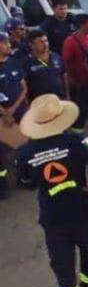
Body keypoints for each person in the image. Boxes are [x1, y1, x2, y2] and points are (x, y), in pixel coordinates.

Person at [16, 94, 88, 287]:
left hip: (53, 217)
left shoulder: (25, 152)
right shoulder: (77, 141)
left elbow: (26, 182)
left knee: (63, 265)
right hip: (82, 209)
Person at [62, 14, 88, 137]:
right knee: (80, 116)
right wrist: (71, 85)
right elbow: (66, 65)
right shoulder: (70, 42)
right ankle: (78, 143)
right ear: (82, 25)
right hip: (79, 87)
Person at [0, 32, 28, 199]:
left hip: (19, 113)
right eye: (5, 43)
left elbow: (24, 88)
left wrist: (13, 109)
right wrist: (4, 112)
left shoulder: (14, 62)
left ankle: (24, 178)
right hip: (2, 118)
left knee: (23, 147)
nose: (9, 46)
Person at [24, 29, 69, 101]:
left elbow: (64, 76)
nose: (45, 44)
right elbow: (24, 86)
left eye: (46, 41)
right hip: (39, 103)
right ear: (31, 45)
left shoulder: (56, 56)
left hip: (59, 99)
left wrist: (67, 95)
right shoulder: (26, 63)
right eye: (40, 42)